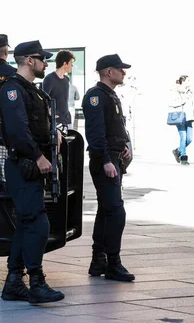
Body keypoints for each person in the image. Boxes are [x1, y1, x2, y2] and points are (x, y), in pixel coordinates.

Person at [0, 40, 64, 304]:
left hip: (30, 166)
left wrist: (54, 133)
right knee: (37, 223)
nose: (46, 63)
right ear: (29, 60)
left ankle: (14, 282)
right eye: (42, 59)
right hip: (23, 165)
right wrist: (38, 156)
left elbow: (36, 125)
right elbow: (17, 130)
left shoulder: (31, 91)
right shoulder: (13, 89)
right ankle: (36, 283)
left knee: (27, 224)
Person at [83, 54, 135, 282]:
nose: (124, 72)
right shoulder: (95, 96)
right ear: (108, 71)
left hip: (114, 157)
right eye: (120, 69)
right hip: (104, 160)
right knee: (116, 210)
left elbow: (114, 128)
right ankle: (113, 262)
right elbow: (95, 133)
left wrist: (123, 146)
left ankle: (99, 261)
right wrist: (105, 160)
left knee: (106, 209)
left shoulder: (110, 95)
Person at [42, 50, 75, 128]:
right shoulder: (49, 79)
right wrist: (48, 113)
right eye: (71, 63)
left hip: (67, 120)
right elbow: (43, 99)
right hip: (55, 122)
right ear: (65, 64)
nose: (72, 66)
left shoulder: (66, 79)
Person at [169, 75, 194, 166]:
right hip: (180, 116)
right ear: (183, 81)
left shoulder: (189, 91)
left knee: (190, 138)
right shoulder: (175, 91)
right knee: (183, 137)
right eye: (188, 80)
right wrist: (183, 99)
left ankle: (178, 150)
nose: (189, 82)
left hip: (189, 117)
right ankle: (183, 158)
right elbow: (172, 102)